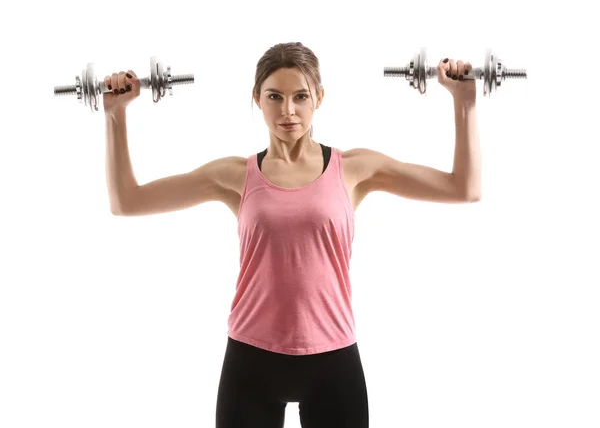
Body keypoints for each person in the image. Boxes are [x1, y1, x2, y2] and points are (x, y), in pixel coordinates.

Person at [104, 42, 480, 428]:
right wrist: (115, 114)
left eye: (300, 96)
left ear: (319, 97)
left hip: (333, 359)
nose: (288, 111)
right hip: (251, 360)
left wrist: (463, 102)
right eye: (274, 97)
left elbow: (463, 188)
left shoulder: (355, 168)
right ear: (257, 98)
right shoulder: (234, 175)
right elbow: (127, 201)